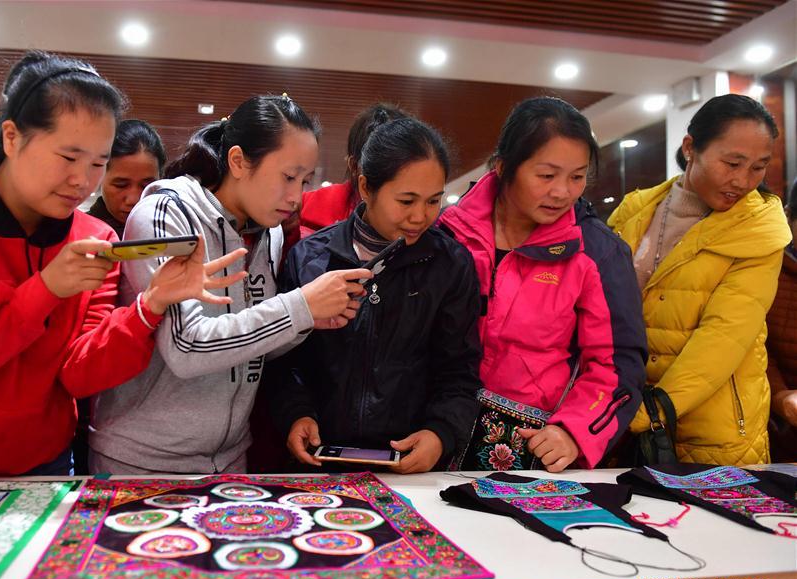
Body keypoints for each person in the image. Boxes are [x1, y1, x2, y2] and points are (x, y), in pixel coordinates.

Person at [0, 51, 245, 478]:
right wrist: (46, 289)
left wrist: (149, 306)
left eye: (98, 164)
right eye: (68, 157)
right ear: (12, 137)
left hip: (45, 465)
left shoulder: (95, 238)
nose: (82, 181)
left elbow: (79, 376)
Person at [89, 94, 370, 475]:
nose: (296, 197)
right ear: (238, 161)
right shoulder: (164, 213)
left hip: (230, 458)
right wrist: (300, 307)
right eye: (288, 177)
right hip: (140, 458)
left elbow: (249, 346)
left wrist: (308, 322)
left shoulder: (267, 232)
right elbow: (187, 347)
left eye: (305, 180)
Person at [439, 96, 647, 472]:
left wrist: (574, 431)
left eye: (577, 176)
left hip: (532, 454)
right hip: (431, 438)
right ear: (504, 167)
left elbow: (617, 366)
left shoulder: (598, 252)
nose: (562, 192)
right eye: (546, 175)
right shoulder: (449, 234)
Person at [270, 117, 482, 474]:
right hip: (319, 458)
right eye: (406, 200)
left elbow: (459, 370)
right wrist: (295, 414)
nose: (420, 216)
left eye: (433, 201)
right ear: (366, 187)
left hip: (411, 462)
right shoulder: (311, 258)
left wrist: (440, 433)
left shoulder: (449, 264)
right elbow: (284, 360)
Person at [609, 93, 791, 465]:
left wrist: (643, 415)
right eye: (732, 162)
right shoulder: (634, 210)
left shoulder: (760, 229)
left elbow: (723, 338)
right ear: (690, 147)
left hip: (713, 428)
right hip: (622, 414)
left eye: (759, 167)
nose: (743, 181)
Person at [299, 103, 409, 239]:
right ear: (354, 165)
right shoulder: (306, 208)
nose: (392, 176)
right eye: (380, 165)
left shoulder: (421, 222)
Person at [86, 119, 166, 237]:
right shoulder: (76, 233)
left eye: (146, 186)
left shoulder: (172, 231)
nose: (133, 200)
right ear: (99, 177)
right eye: (121, 185)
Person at [766, 178, 797, 461]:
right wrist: (781, 397)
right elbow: (758, 346)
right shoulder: (768, 269)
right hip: (781, 435)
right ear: (789, 216)